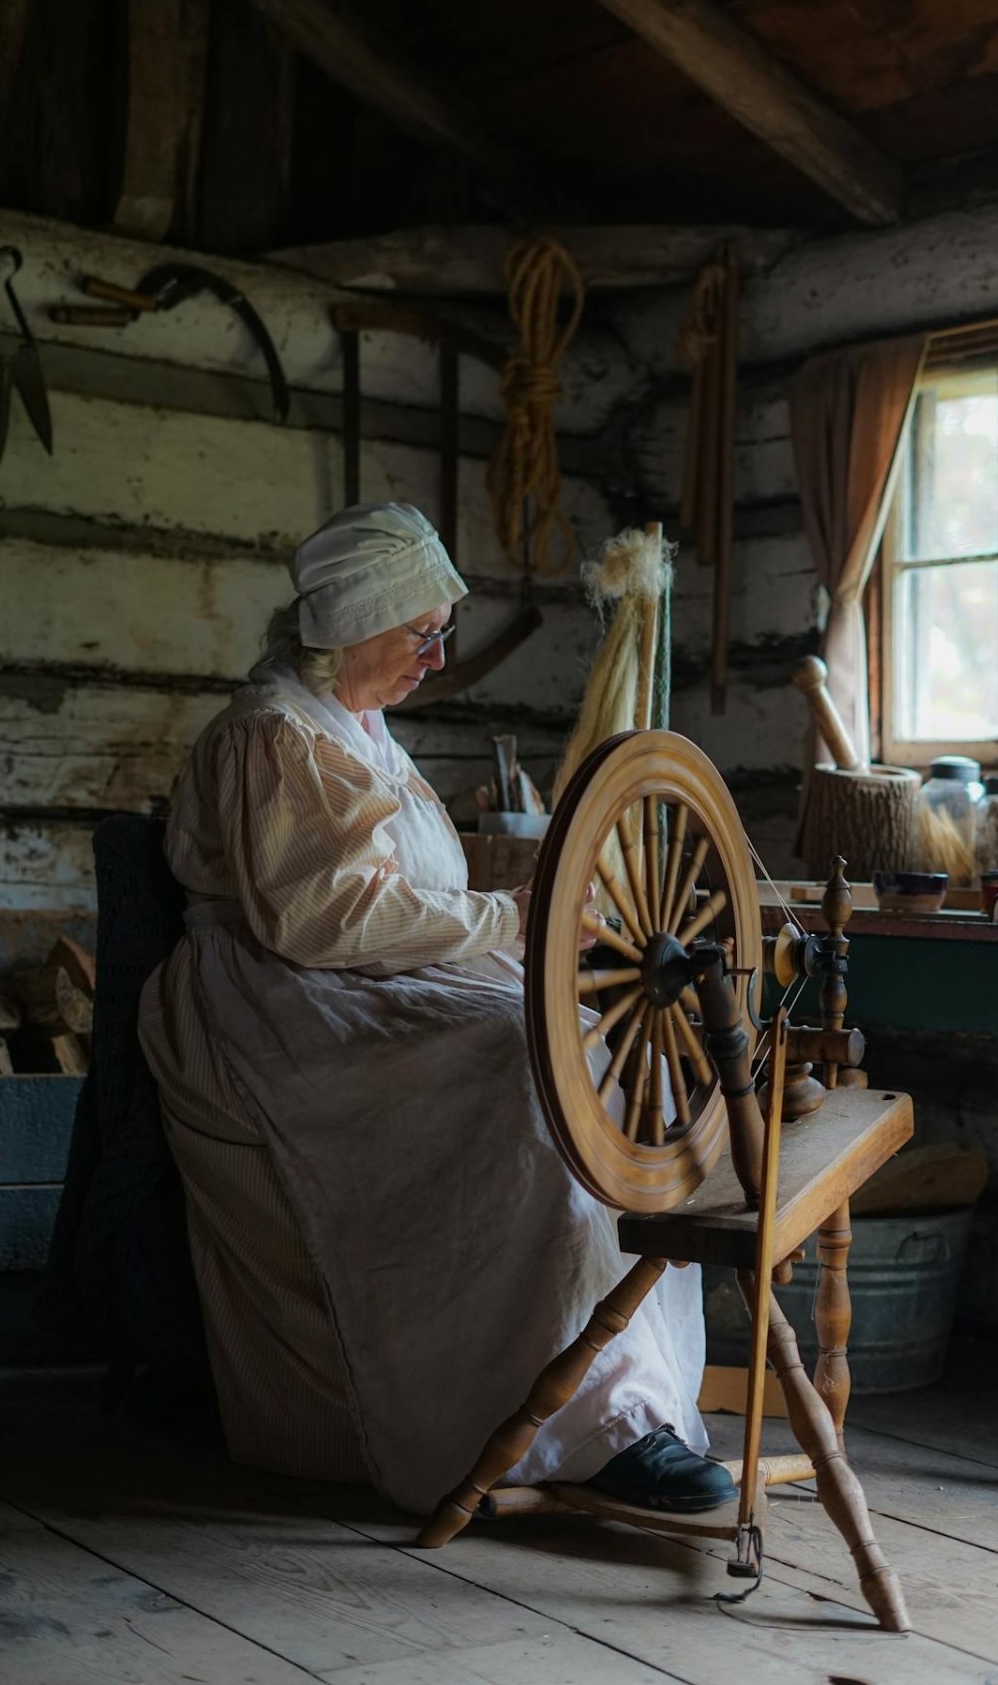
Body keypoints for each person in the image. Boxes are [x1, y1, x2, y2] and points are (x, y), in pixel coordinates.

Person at [139, 501, 732, 1516]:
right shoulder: (275, 736)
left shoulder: (358, 727)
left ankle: (629, 1405)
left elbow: (397, 889)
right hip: (285, 1002)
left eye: (437, 632)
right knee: (522, 1065)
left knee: (587, 1052)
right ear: (351, 627)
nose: (434, 654)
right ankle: (563, 1422)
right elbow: (322, 916)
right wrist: (505, 917)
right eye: (420, 632)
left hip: (371, 980)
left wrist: (516, 906)